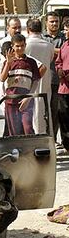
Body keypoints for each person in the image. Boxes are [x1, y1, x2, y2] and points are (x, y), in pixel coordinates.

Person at [0, 34, 42, 136]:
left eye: (22, 46)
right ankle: (16, 151)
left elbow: (36, 81)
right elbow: (2, 78)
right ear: (12, 46)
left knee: (27, 128)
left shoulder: (31, 62)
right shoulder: (8, 61)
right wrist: (8, 63)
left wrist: (28, 97)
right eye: (17, 46)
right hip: (11, 101)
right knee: (14, 131)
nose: (20, 48)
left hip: (26, 101)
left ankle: (30, 150)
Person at [25, 18, 54, 135]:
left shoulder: (25, 44)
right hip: (45, 81)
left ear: (28, 30)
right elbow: (50, 60)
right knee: (43, 109)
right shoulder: (49, 45)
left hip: (28, 81)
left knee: (29, 110)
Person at [43, 11, 66, 143]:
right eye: (52, 21)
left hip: (60, 82)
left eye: (56, 21)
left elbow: (65, 53)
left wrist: (50, 49)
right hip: (46, 80)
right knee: (46, 113)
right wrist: (56, 50)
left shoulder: (64, 37)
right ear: (46, 22)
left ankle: (58, 140)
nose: (54, 24)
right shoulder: (42, 37)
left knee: (58, 112)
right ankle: (49, 139)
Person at [55, 20, 69, 152]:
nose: (65, 32)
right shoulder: (64, 45)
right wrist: (59, 69)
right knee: (63, 118)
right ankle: (67, 145)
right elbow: (58, 61)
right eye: (64, 30)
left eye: (66, 29)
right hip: (63, 88)